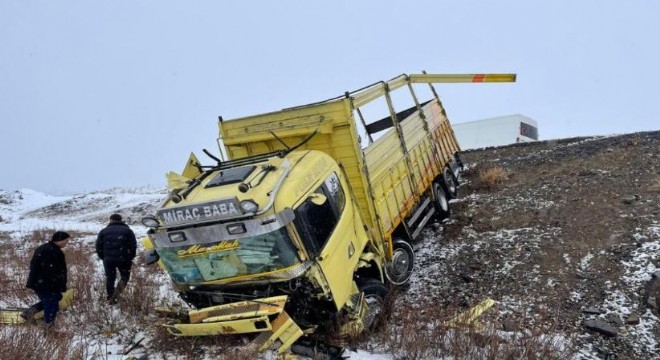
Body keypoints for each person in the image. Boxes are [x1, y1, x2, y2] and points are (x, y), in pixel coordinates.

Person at [23, 231, 71, 326]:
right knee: (51, 303)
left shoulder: (47, 248)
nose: (67, 243)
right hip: (45, 283)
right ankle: (48, 326)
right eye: (66, 240)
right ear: (59, 240)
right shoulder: (51, 251)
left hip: (41, 282)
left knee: (55, 298)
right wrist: (54, 284)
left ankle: (29, 312)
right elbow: (50, 270)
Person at [96, 213, 137, 304]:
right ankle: (116, 295)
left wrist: (103, 257)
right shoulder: (128, 231)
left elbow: (98, 246)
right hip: (124, 258)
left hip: (108, 259)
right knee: (125, 277)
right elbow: (133, 246)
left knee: (110, 278)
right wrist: (130, 257)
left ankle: (110, 296)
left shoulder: (103, 231)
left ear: (110, 220)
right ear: (121, 220)